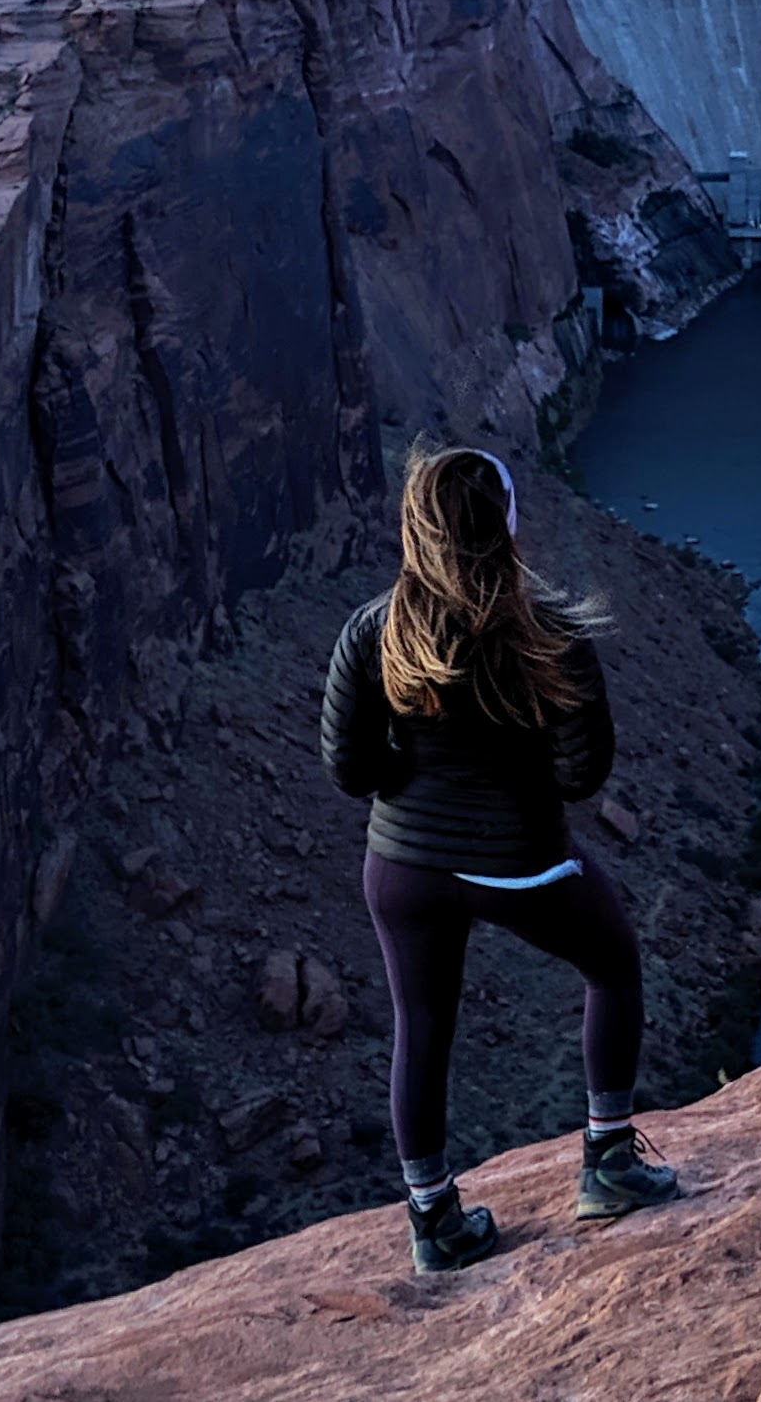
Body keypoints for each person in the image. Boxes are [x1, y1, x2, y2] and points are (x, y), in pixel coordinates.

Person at [320, 445, 677, 1274]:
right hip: (519, 861)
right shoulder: (550, 628)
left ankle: (434, 1222)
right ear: (506, 524)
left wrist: (413, 781)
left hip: (404, 868)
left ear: (417, 528)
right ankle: (609, 1163)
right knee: (614, 961)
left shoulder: (372, 631)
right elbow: (582, 773)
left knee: (422, 1025)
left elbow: (348, 769)